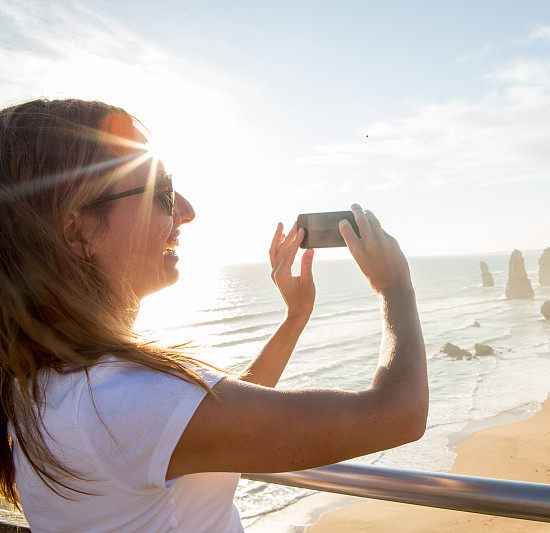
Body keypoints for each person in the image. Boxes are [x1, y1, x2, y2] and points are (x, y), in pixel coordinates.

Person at [0, 99, 428, 531]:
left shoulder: (46, 385)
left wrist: (294, 318)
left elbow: (217, 416)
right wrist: (394, 287)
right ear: (78, 232)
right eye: (160, 192)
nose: (185, 211)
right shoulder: (119, 402)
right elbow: (398, 413)